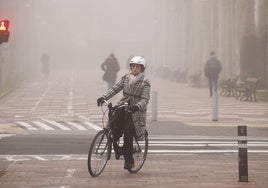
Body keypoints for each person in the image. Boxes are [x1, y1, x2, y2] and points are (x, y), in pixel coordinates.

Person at [97, 56, 150, 170]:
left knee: (128, 133)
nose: (135, 68)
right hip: (124, 106)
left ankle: (129, 161)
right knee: (114, 124)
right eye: (133, 66)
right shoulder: (125, 78)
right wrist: (103, 97)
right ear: (130, 67)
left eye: (138, 67)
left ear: (142, 69)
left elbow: (145, 99)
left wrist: (137, 106)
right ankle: (117, 147)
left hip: (135, 111)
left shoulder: (145, 82)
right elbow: (115, 89)